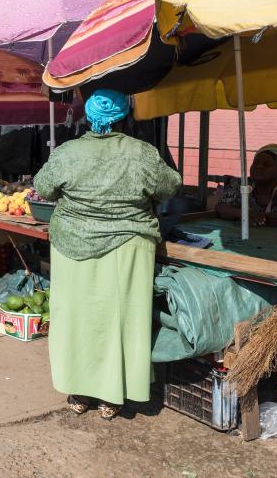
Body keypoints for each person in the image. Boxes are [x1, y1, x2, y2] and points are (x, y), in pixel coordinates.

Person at [33, 89, 182, 420]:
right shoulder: (143, 152)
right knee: (121, 320)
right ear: (125, 117)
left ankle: (80, 390)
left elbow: (43, 186)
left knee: (77, 319)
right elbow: (169, 186)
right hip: (128, 247)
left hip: (73, 245)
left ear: (88, 116)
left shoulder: (67, 152)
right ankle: (112, 397)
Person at [215, 144, 277, 227]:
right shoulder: (240, 184)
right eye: (255, 163)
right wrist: (242, 213)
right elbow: (221, 208)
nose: (258, 167)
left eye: (266, 164)